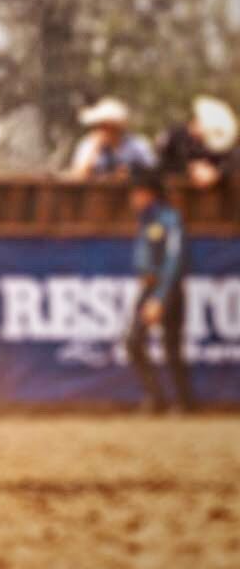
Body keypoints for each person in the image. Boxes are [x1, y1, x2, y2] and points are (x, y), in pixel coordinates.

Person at [125, 168, 192, 412]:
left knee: (171, 346)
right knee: (134, 341)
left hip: (168, 288)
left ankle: (183, 402)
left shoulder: (170, 219)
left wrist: (160, 298)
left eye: (137, 193)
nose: (133, 199)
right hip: (150, 286)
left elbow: (174, 261)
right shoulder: (146, 220)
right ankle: (156, 397)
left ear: (149, 194)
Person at [156, 95, 239, 190]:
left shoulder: (212, 146)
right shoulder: (175, 136)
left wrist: (215, 172)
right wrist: (189, 169)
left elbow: (233, 157)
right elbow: (163, 163)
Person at [68, 97, 154, 180]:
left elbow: (153, 172)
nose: (102, 130)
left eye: (107, 126)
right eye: (100, 125)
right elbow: (78, 176)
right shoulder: (88, 144)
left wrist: (132, 173)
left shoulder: (137, 145)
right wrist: (94, 150)